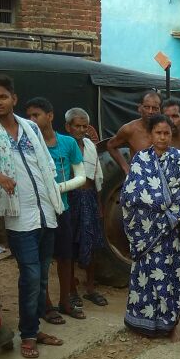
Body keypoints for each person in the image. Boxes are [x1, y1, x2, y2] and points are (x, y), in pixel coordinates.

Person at [0, 74, 71, 359]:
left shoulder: (29, 127)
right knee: (31, 274)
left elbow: (46, 164)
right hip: (18, 216)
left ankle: (34, 328)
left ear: (14, 98)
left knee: (40, 277)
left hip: (46, 212)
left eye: (3, 96)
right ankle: (27, 335)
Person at [120, 113, 180, 337]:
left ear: (172, 135)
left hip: (169, 232)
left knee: (168, 275)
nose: (162, 137)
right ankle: (140, 322)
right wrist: (160, 203)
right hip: (144, 231)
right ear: (150, 135)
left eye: (166, 133)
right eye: (158, 133)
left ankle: (166, 323)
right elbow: (131, 193)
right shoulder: (140, 159)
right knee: (145, 274)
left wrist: (168, 215)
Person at [24, 98, 86, 323]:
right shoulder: (28, 145)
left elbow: (80, 176)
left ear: (50, 116)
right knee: (43, 258)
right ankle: (46, 305)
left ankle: (65, 301)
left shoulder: (68, 143)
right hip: (39, 211)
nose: (31, 120)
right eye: (28, 115)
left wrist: (58, 188)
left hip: (63, 209)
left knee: (66, 257)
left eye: (36, 115)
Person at [64, 107, 107, 308]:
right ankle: (71, 290)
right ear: (68, 127)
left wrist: (99, 204)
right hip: (70, 199)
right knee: (70, 245)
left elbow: (96, 175)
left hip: (89, 197)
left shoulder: (90, 146)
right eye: (77, 126)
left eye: (84, 126)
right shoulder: (63, 146)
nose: (81, 130)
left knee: (93, 242)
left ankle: (90, 288)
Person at [106, 89, 162, 175]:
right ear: (140, 108)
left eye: (155, 108)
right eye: (147, 107)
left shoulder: (165, 131)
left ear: (160, 110)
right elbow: (111, 145)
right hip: (138, 180)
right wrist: (125, 167)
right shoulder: (130, 129)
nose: (150, 112)